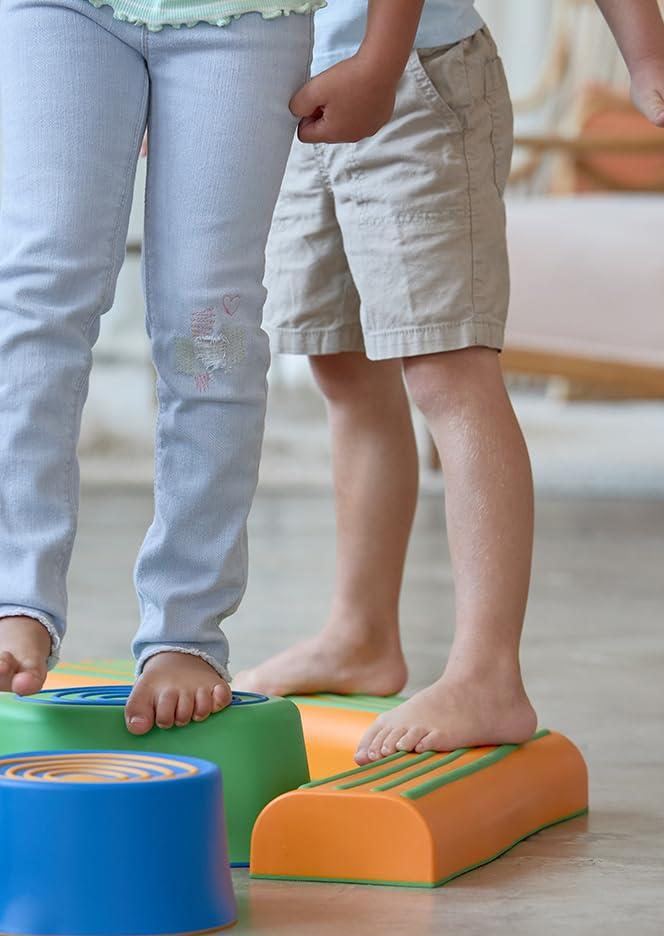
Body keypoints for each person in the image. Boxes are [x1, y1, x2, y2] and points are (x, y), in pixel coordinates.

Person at [0, 0, 428, 735]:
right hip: (66, 12)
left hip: (243, 19)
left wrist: (382, 57)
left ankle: (185, 628)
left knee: (212, 326)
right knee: (36, 291)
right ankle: (14, 598)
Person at [237, 0, 664, 764]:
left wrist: (646, 58)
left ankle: (488, 673)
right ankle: (360, 633)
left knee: (447, 369)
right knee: (341, 363)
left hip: (413, 82)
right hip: (299, 100)